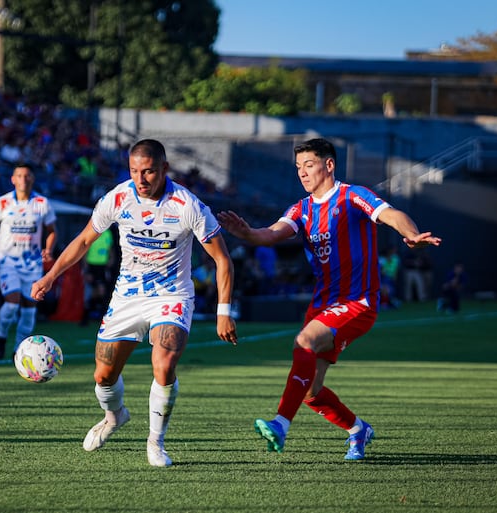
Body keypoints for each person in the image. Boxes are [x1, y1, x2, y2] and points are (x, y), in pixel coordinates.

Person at [217, 138, 440, 460]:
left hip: (357, 302)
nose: (303, 173)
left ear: (329, 165)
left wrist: (411, 234)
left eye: (309, 165)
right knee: (310, 391)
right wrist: (247, 233)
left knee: (304, 340)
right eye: (298, 168)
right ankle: (357, 429)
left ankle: (280, 424)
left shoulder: (353, 196)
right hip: (323, 305)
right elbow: (271, 234)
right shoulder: (301, 209)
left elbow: (391, 214)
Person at [31, 139, 238, 468]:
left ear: (164, 169)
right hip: (128, 295)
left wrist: (223, 312)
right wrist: (51, 276)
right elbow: (85, 239)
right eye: (134, 171)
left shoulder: (187, 205)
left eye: (149, 171)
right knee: (103, 376)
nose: (141, 179)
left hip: (172, 295)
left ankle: (156, 442)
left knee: (164, 364)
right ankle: (115, 417)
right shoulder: (117, 198)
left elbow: (222, 260)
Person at [0, 164, 57, 360]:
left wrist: (48, 249)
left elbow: (51, 230)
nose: (23, 179)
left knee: (29, 312)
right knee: (12, 305)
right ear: (13, 179)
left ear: (32, 178)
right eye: (19, 175)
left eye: (27, 175)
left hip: (32, 264)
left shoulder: (42, 203)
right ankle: (1, 336)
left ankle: (18, 350)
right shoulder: (3, 203)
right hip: (8, 262)